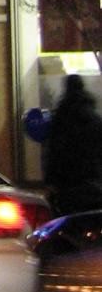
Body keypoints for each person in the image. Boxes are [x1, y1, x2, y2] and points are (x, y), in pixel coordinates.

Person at [43, 74, 102, 216]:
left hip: (66, 182)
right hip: (92, 179)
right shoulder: (94, 118)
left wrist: (50, 179)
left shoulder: (61, 118)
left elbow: (53, 151)